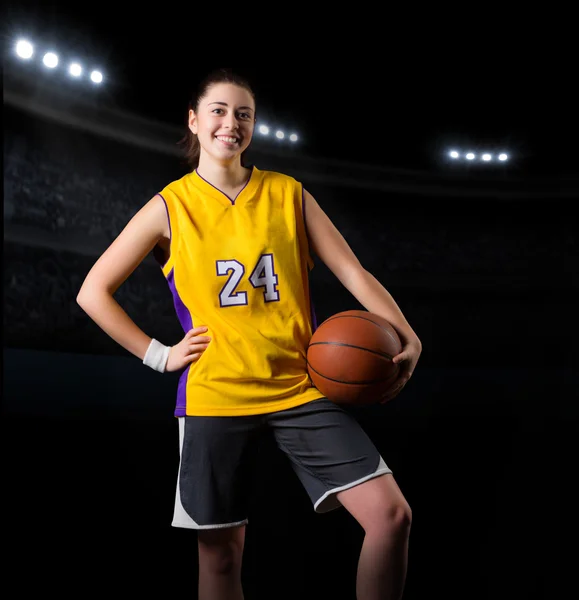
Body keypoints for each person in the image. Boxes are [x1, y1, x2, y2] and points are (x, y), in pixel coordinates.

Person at [77, 67, 422, 600]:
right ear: (194, 121)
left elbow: (353, 273)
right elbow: (92, 291)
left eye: (244, 114)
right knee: (221, 559)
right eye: (217, 110)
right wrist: (158, 355)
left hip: (300, 385)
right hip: (216, 392)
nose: (230, 123)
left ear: (253, 126)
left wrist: (406, 335)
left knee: (391, 517)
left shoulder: (288, 194)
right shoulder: (170, 206)